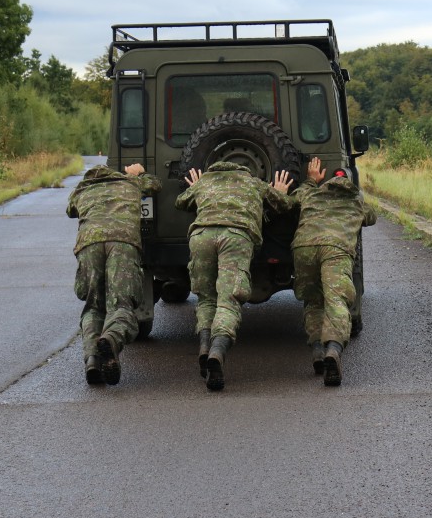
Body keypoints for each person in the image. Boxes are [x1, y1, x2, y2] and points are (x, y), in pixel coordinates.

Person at [175, 161, 293, 390]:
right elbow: (285, 205)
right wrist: (280, 191)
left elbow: (180, 202)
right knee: (228, 299)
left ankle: (204, 346)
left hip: (201, 237)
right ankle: (217, 351)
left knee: (206, 298)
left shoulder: (205, 181)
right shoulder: (253, 183)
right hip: (235, 237)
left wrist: (197, 187)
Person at [66, 163, 161, 386]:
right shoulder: (130, 182)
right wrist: (137, 174)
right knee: (122, 306)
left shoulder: (82, 189)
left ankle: (92, 359)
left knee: (93, 306)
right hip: (122, 242)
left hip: (89, 244)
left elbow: (70, 210)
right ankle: (111, 339)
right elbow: (155, 184)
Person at [287, 157, 377, 386]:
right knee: (336, 301)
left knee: (313, 301)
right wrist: (358, 197)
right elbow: (372, 217)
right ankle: (333, 349)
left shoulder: (312, 194)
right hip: (335, 250)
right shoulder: (355, 202)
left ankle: (318, 349)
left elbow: (293, 199)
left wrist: (311, 181)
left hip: (304, 248)